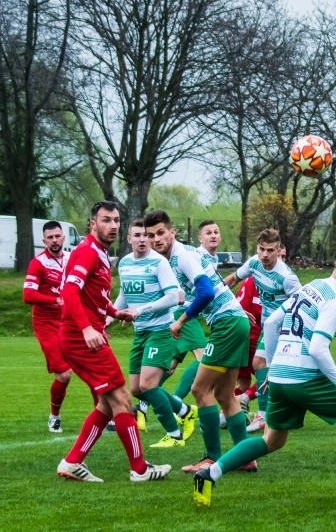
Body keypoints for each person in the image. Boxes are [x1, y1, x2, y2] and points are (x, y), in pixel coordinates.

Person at [193, 243, 336, 512]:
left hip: (280, 378)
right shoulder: (334, 300)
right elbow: (318, 349)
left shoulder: (311, 286)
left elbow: (273, 321)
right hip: (305, 377)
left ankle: (211, 473)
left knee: (272, 440)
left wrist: (274, 366)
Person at [56, 201, 171, 482]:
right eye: (106, 220)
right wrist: (86, 329)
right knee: (121, 397)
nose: (113, 226)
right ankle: (140, 469)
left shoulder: (99, 254)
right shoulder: (87, 252)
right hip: (81, 339)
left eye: (117, 220)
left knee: (107, 405)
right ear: (92, 223)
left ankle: (72, 462)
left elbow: (94, 296)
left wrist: (113, 312)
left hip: (82, 337)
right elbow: (70, 292)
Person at [144, 210, 253, 474]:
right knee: (225, 394)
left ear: (172, 232)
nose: (156, 239)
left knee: (200, 390)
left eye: (160, 233)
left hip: (227, 323)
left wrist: (182, 320)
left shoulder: (182, 256)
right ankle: (245, 457)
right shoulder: (182, 257)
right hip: (234, 320)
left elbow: (205, 291)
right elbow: (212, 283)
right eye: (150, 236)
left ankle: (211, 458)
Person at [112, 219, 198, 447]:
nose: (143, 239)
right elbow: (124, 295)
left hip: (161, 330)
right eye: (137, 235)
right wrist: (109, 317)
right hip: (140, 333)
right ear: (129, 239)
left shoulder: (159, 263)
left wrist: (139, 310)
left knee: (148, 386)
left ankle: (175, 434)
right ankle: (185, 410)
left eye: (146, 235)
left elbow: (172, 297)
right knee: (137, 389)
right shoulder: (125, 263)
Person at [224, 229, 301, 433]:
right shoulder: (253, 264)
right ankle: (274, 411)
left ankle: (265, 414)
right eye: (261, 249)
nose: (265, 255)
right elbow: (232, 279)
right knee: (270, 368)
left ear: (278, 251)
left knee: (262, 364)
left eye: (270, 250)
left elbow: (302, 304)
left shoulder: (286, 277)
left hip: (284, 327)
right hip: (268, 325)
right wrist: (217, 295)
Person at [23, 221, 72, 433]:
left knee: (93, 369)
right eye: (50, 237)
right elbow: (28, 295)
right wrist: (55, 300)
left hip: (69, 321)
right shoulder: (38, 263)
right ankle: (54, 416)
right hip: (46, 325)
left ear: (63, 238)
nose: (54, 240)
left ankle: (105, 416)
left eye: (57, 236)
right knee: (64, 375)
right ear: (44, 241)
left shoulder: (71, 258)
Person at [234, 276, 263, 410]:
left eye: (284, 257)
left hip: (239, 334)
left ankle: (227, 413)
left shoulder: (249, 279)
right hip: (254, 337)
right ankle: (245, 398)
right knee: (275, 375)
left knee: (243, 382)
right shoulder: (266, 280)